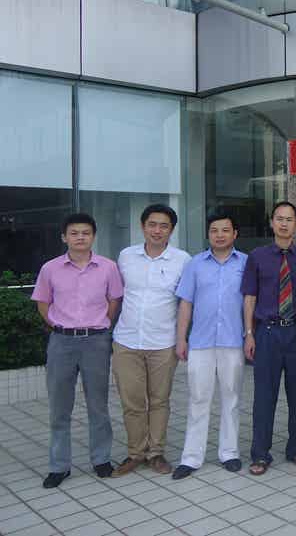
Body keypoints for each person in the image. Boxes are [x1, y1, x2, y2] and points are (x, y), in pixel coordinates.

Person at [31, 214, 124, 488]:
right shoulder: (50, 269)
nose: (80, 237)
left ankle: (101, 459)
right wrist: (59, 325)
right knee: (59, 406)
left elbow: (114, 301)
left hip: (96, 341)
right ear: (64, 237)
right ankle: (59, 466)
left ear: (93, 236)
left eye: (85, 232)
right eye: (74, 233)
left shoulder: (108, 267)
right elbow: (43, 303)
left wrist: (100, 326)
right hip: (62, 342)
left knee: (98, 404)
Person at [111, 204, 191, 477]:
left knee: (159, 400)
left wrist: (182, 339)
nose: (157, 230)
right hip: (127, 341)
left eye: (164, 226)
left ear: (172, 230)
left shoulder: (182, 260)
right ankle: (135, 453)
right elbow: (116, 295)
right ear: (143, 226)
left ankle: (155, 452)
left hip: (163, 342)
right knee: (132, 401)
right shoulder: (126, 256)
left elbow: (186, 302)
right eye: (152, 225)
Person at [171, 213, 248, 479]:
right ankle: (191, 457)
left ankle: (230, 453)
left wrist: (250, 335)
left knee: (231, 399)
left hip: (233, 341)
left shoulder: (246, 263)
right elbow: (186, 304)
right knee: (198, 399)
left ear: (235, 234)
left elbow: (251, 302)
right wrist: (181, 338)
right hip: (201, 342)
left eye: (225, 230)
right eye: (214, 230)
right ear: (208, 234)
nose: (219, 235)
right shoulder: (195, 264)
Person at [242, 202, 296, 475]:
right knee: (264, 396)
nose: (284, 224)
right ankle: (260, 453)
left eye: (289, 219)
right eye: (279, 219)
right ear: (271, 222)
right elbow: (250, 297)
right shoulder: (257, 257)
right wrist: (249, 334)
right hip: (267, 332)